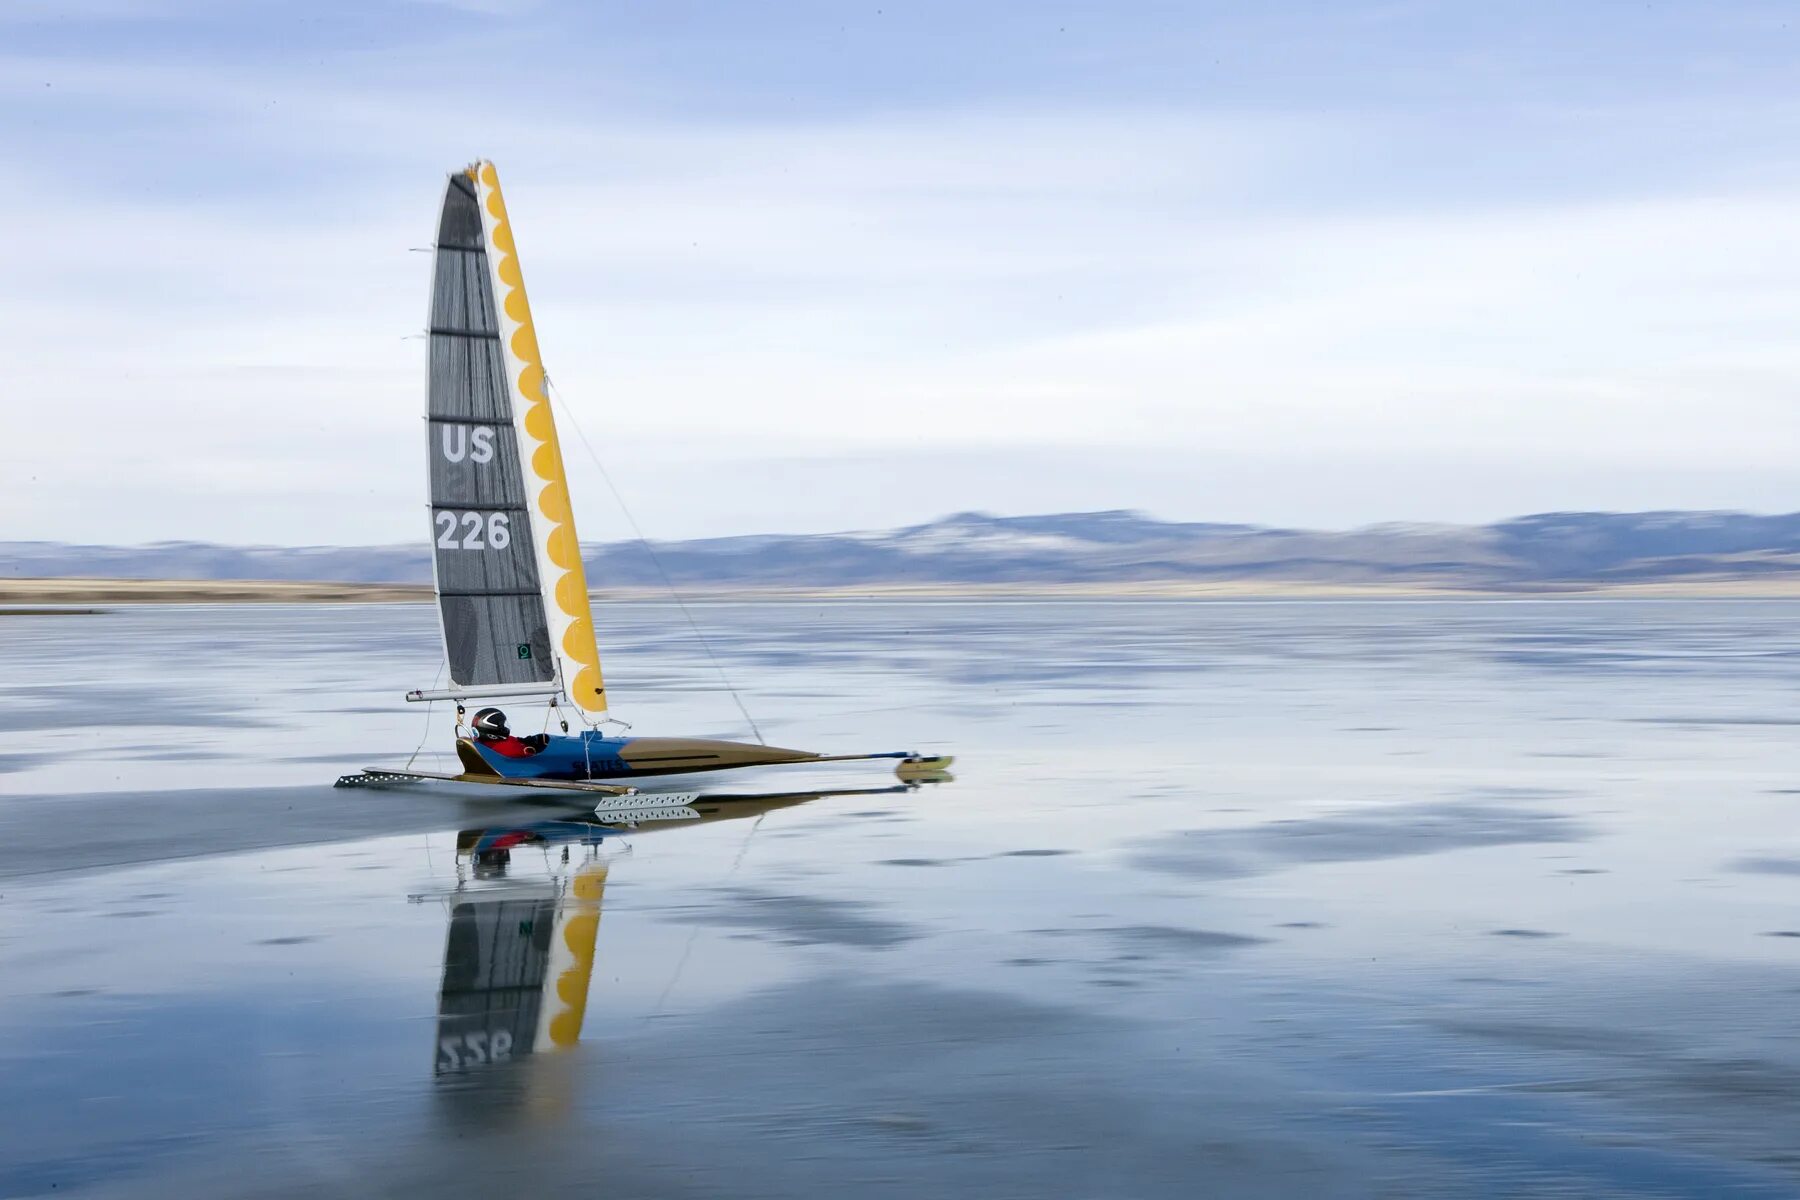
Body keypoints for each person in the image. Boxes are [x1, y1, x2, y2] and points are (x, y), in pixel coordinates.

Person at [468, 708, 549, 758]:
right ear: (492, 730)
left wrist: (523, 741)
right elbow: (531, 758)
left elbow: (510, 739)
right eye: (502, 725)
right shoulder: (506, 748)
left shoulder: (485, 743)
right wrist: (536, 749)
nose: (505, 728)